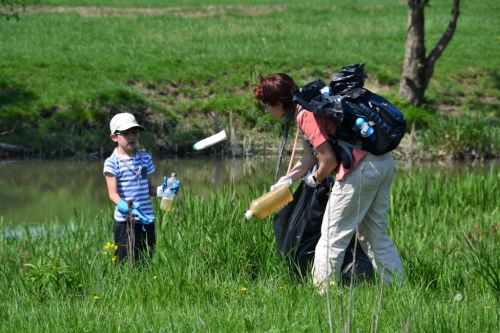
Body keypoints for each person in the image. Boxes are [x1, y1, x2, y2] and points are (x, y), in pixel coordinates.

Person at [254, 73, 404, 291]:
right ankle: (398, 290)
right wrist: (287, 180)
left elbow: (328, 160)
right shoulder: (309, 104)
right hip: (383, 163)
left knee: (331, 236)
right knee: (373, 234)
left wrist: (314, 180)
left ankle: (323, 295)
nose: (266, 111)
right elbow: (309, 158)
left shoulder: (306, 115)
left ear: (278, 102)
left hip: (362, 170)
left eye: (266, 106)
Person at [103, 112, 180, 263]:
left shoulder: (145, 159)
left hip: (146, 219)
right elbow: (112, 194)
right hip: (126, 221)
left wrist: (163, 191)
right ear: (114, 137)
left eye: (134, 133)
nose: (132, 137)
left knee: (146, 258)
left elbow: (147, 187)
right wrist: (123, 205)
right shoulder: (112, 163)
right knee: (125, 261)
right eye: (126, 133)